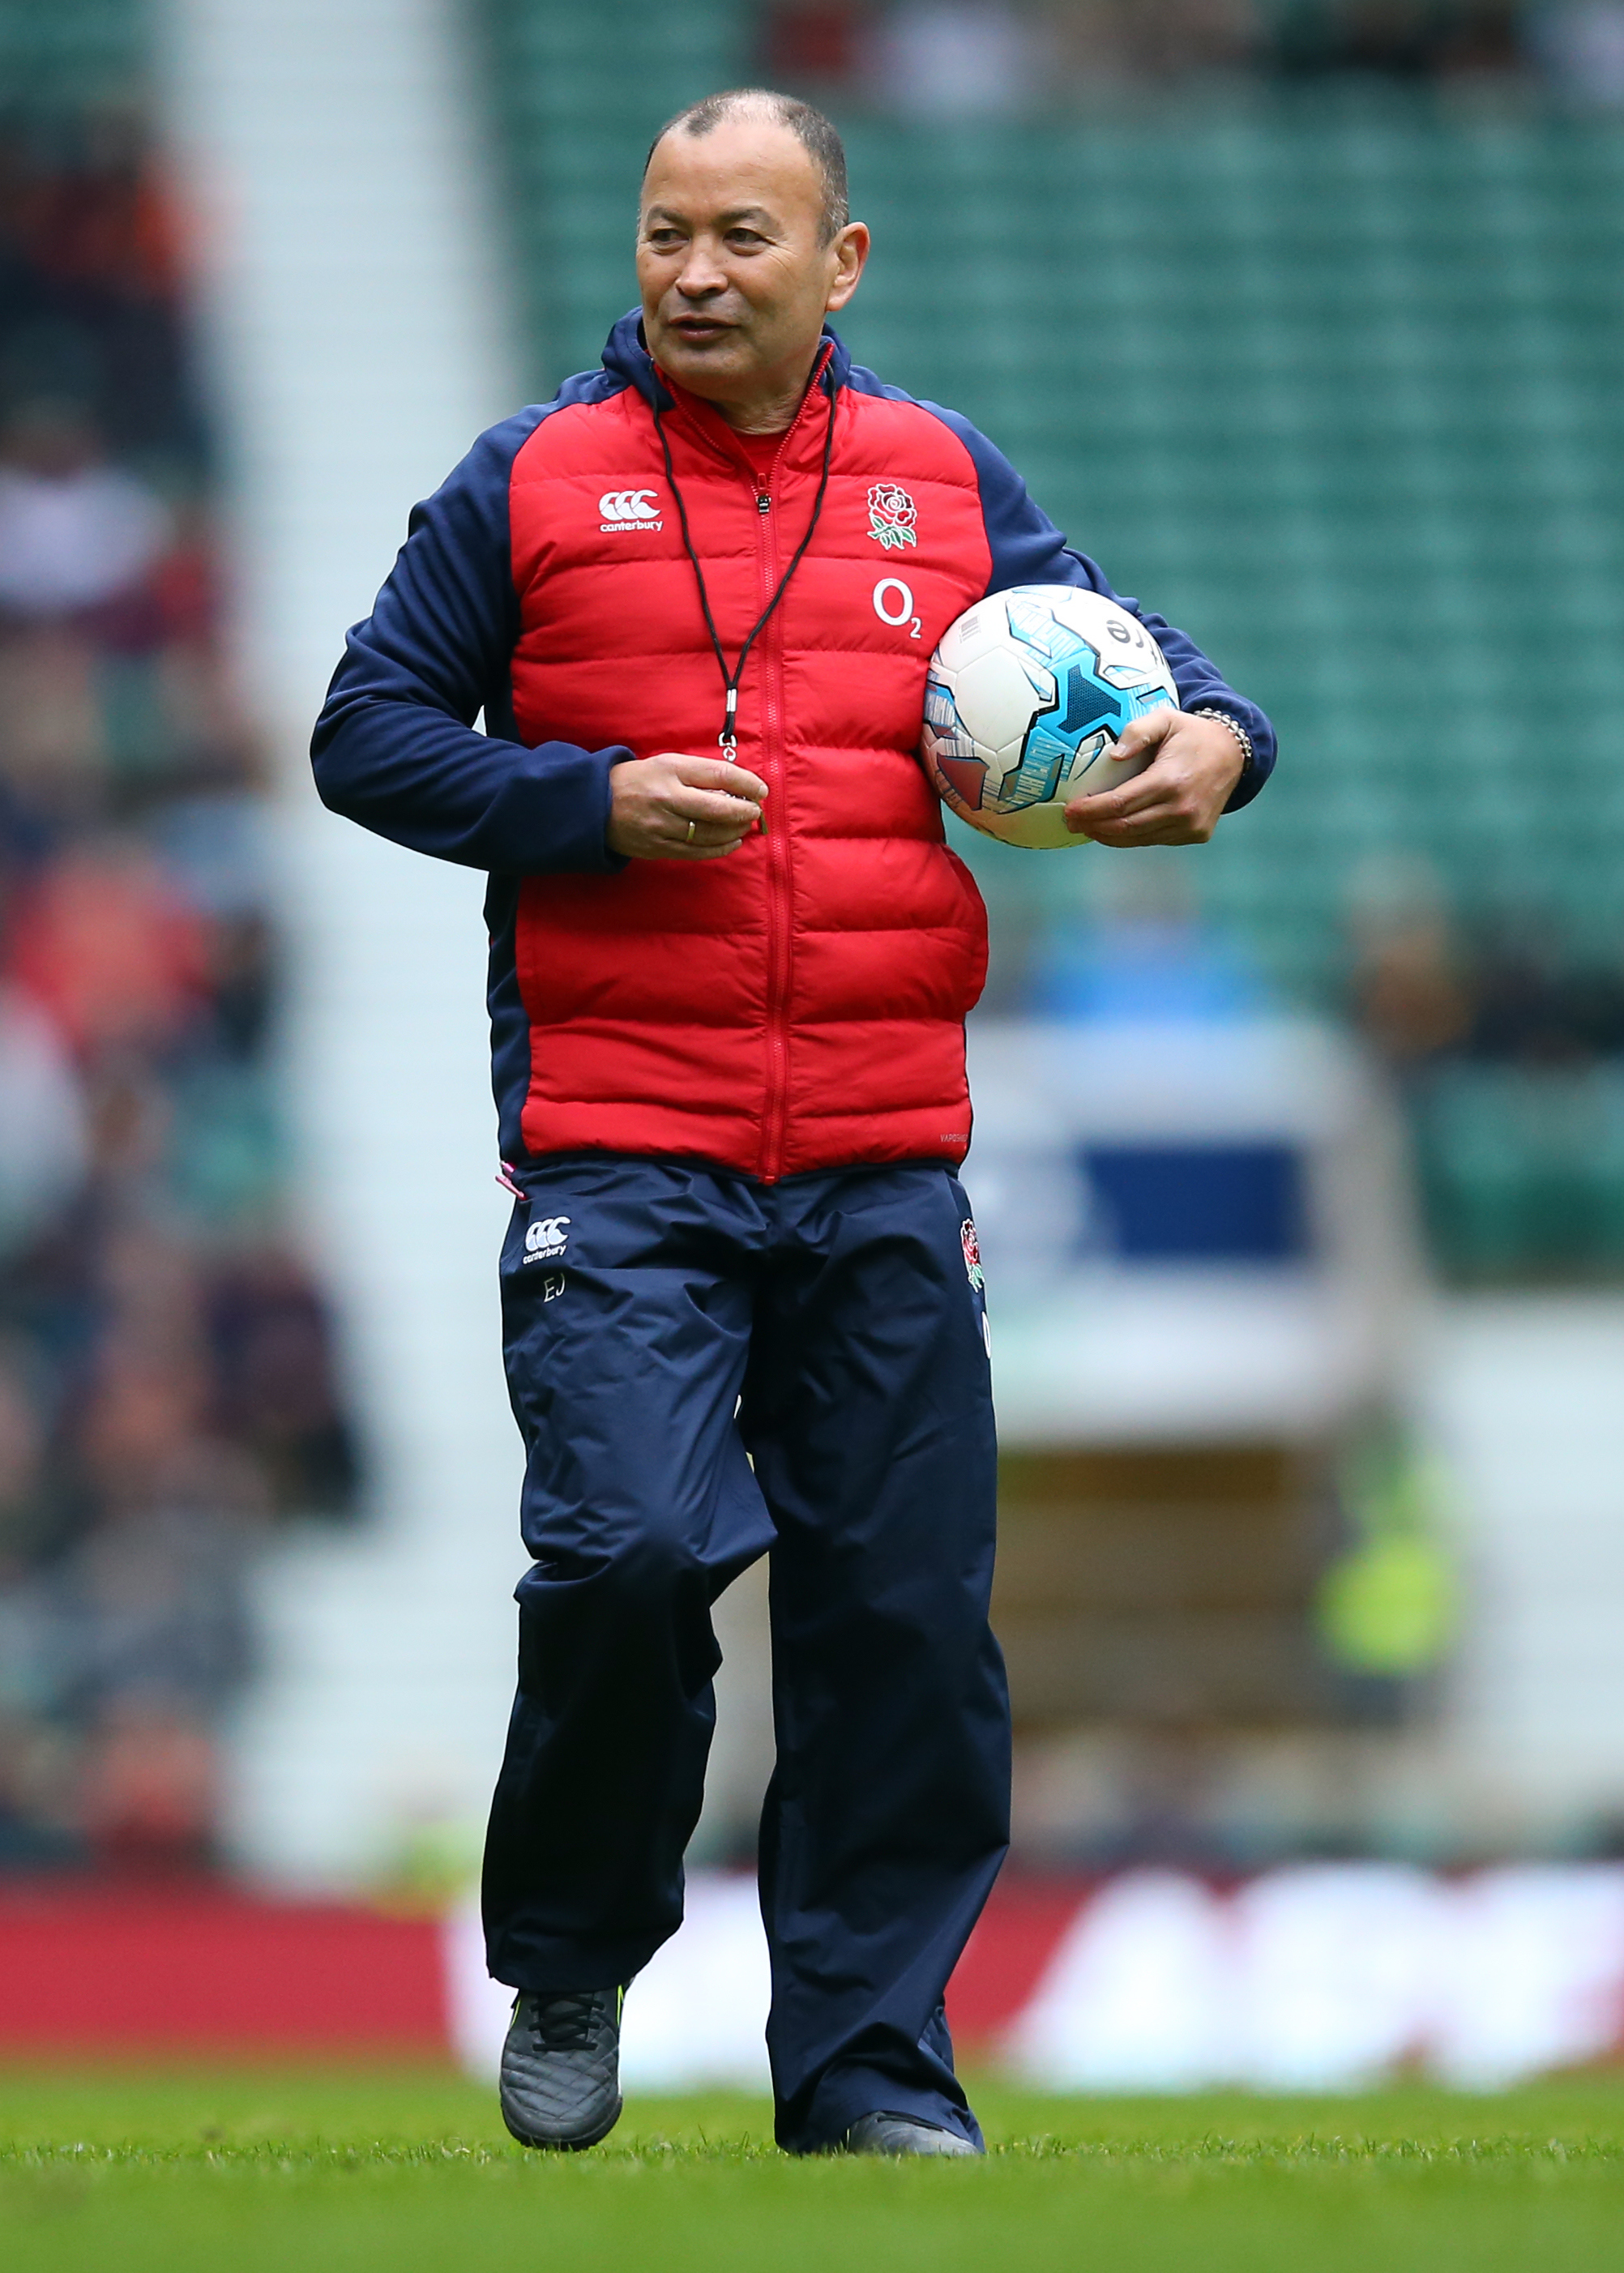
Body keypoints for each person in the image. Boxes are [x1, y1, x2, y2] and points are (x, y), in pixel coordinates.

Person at [311, 88, 1274, 2157]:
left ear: (842, 261)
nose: (693, 273)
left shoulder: (942, 475)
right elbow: (366, 731)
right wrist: (586, 801)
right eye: (668, 233)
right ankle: (573, 1948)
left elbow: (1170, 671)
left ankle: (865, 2068)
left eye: (743, 236)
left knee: (903, 1617)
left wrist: (1215, 743)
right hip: (617, 1141)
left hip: (884, 1144)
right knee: (630, 1552)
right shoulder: (531, 479)